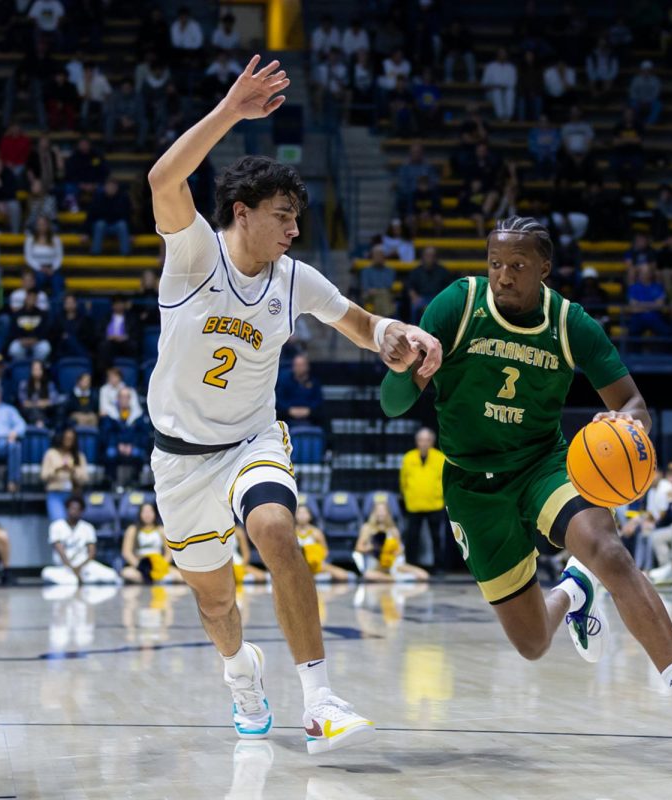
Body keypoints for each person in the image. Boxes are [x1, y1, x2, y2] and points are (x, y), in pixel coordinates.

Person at [145, 55, 440, 753]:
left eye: (297, 218)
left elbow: (363, 327)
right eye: (282, 216)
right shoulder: (193, 257)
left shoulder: (294, 278)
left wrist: (397, 335)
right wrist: (229, 111)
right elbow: (163, 180)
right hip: (181, 460)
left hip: (252, 442)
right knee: (216, 604)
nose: (293, 230)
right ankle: (242, 675)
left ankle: (320, 700)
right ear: (241, 213)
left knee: (277, 528)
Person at [380, 216, 672, 759]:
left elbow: (633, 404)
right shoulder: (456, 307)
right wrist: (404, 371)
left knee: (608, 549)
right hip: (471, 482)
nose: (503, 276)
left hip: (543, 464)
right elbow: (391, 404)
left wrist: (623, 429)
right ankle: (574, 591)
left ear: (544, 270)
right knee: (532, 642)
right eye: (494, 264)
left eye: (516, 266)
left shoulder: (569, 322)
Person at [41, 496, 122, 585]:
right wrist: (72, 568)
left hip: (85, 566)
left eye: (77, 509)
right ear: (66, 509)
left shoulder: (87, 527)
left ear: (82, 511)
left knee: (112, 575)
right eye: (71, 508)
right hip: (65, 567)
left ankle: (80, 579)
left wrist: (79, 568)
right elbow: (61, 552)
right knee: (46, 572)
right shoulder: (56, 526)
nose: (74, 511)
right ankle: (83, 580)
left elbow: (92, 553)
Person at [399, 427, 446, 570]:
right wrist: (406, 496)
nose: (424, 443)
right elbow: (403, 481)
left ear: (432, 441)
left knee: (437, 538)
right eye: (421, 440)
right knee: (411, 537)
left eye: (427, 440)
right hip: (414, 504)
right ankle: (410, 567)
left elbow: (444, 480)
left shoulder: (440, 457)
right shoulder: (408, 457)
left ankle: (439, 567)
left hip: (435, 504)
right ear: (416, 441)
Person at [354, 500, 430, 582]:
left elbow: (400, 550)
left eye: (383, 511)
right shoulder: (367, 528)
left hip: (392, 564)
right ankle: (394, 579)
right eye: (378, 511)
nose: (381, 513)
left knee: (423, 575)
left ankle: (393, 578)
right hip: (375, 564)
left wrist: (392, 551)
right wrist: (374, 547)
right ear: (373, 513)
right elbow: (358, 548)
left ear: (388, 513)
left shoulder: (393, 530)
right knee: (368, 575)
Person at [121, 503, 182, 584]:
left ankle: (152, 579)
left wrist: (162, 565)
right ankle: (157, 580)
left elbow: (169, 553)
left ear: (155, 514)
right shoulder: (132, 530)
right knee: (126, 573)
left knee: (180, 577)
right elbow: (126, 553)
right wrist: (139, 566)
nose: (147, 515)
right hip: (140, 566)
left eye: (150, 512)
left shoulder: (161, 530)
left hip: (159, 565)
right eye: (145, 512)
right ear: (140, 514)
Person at [41, 427, 89, 523]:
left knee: (75, 523)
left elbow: (85, 479)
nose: (69, 441)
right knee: (59, 523)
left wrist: (73, 470)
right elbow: (43, 476)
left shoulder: (79, 456)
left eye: (71, 439)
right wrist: (57, 469)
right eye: (67, 438)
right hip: (55, 493)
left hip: (73, 494)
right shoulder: (51, 454)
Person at [295, 504, 351, 582]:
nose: (302, 516)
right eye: (299, 513)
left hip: (315, 564)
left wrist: (316, 559)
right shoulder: (291, 532)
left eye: (304, 513)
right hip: (296, 564)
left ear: (310, 516)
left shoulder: (316, 532)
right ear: (294, 515)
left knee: (343, 575)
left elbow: (325, 551)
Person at [275, 354, 324, 430]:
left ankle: (327, 441)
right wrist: (289, 410)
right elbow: (280, 400)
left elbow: (318, 400)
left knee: (323, 414)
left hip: (309, 414)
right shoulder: (285, 382)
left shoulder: (314, 382)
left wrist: (308, 410)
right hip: (288, 414)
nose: (298, 368)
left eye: (301, 365)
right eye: (296, 365)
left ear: (307, 367)